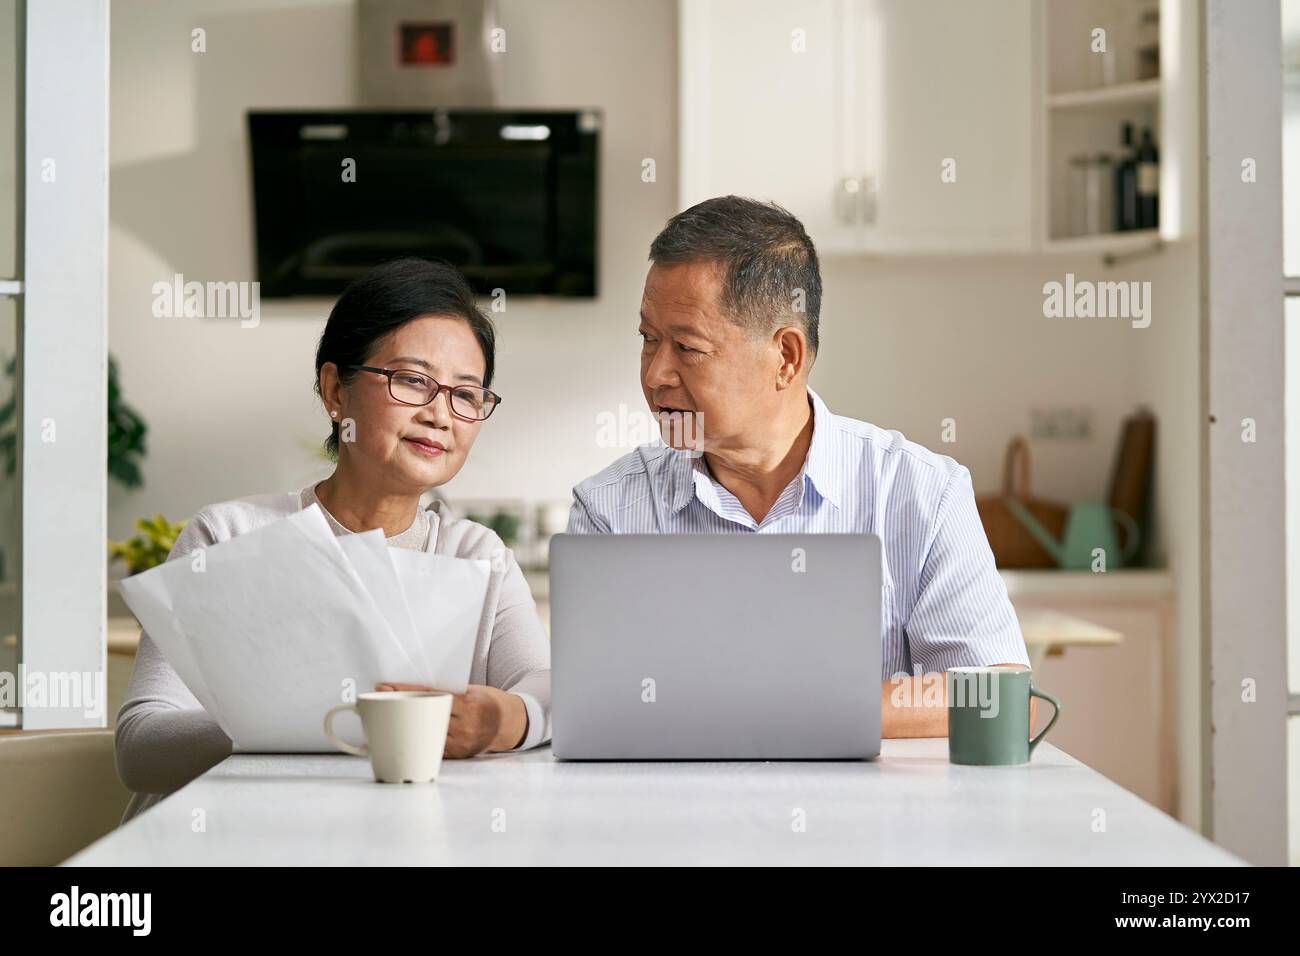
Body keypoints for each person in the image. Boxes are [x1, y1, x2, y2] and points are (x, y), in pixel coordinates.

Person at [566, 196, 1031, 737]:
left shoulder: (921, 492)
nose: (655, 375)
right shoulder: (610, 509)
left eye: (687, 347)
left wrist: (797, 707)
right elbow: (588, 703)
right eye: (648, 340)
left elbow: (997, 695)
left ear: (785, 356)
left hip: (873, 818)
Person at [115, 257, 551, 821]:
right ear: (334, 390)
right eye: (413, 381)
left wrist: (503, 719)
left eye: (465, 394)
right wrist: (347, 721)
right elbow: (141, 747)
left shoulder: (477, 556)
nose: (441, 414)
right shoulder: (228, 536)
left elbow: (544, 690)